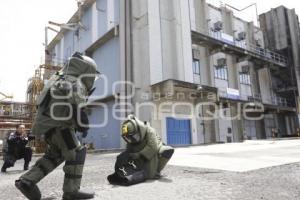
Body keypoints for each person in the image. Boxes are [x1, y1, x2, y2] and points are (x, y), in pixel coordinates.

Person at [15, 52, 99, 200]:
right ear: (87, 71)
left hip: (49, 128)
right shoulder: (74, 81)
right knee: (77, 152)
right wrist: (84, 126)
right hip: (61, 127)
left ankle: (27, 181)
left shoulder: (57, 78)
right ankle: (71, 192)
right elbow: (76, 106)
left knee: (56, 155)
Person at [107, 115, 174, 186]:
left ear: (139, 130)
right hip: (138, 154)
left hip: (154, 151)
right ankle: (128, 174)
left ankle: (156, 172)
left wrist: (140, 154)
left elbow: (153, 147)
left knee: (166, 150)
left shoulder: (150, 131)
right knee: (123, 158)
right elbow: (129, 148)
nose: (132, 139)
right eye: (129, 138)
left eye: (134, 136)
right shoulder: (131, 139)